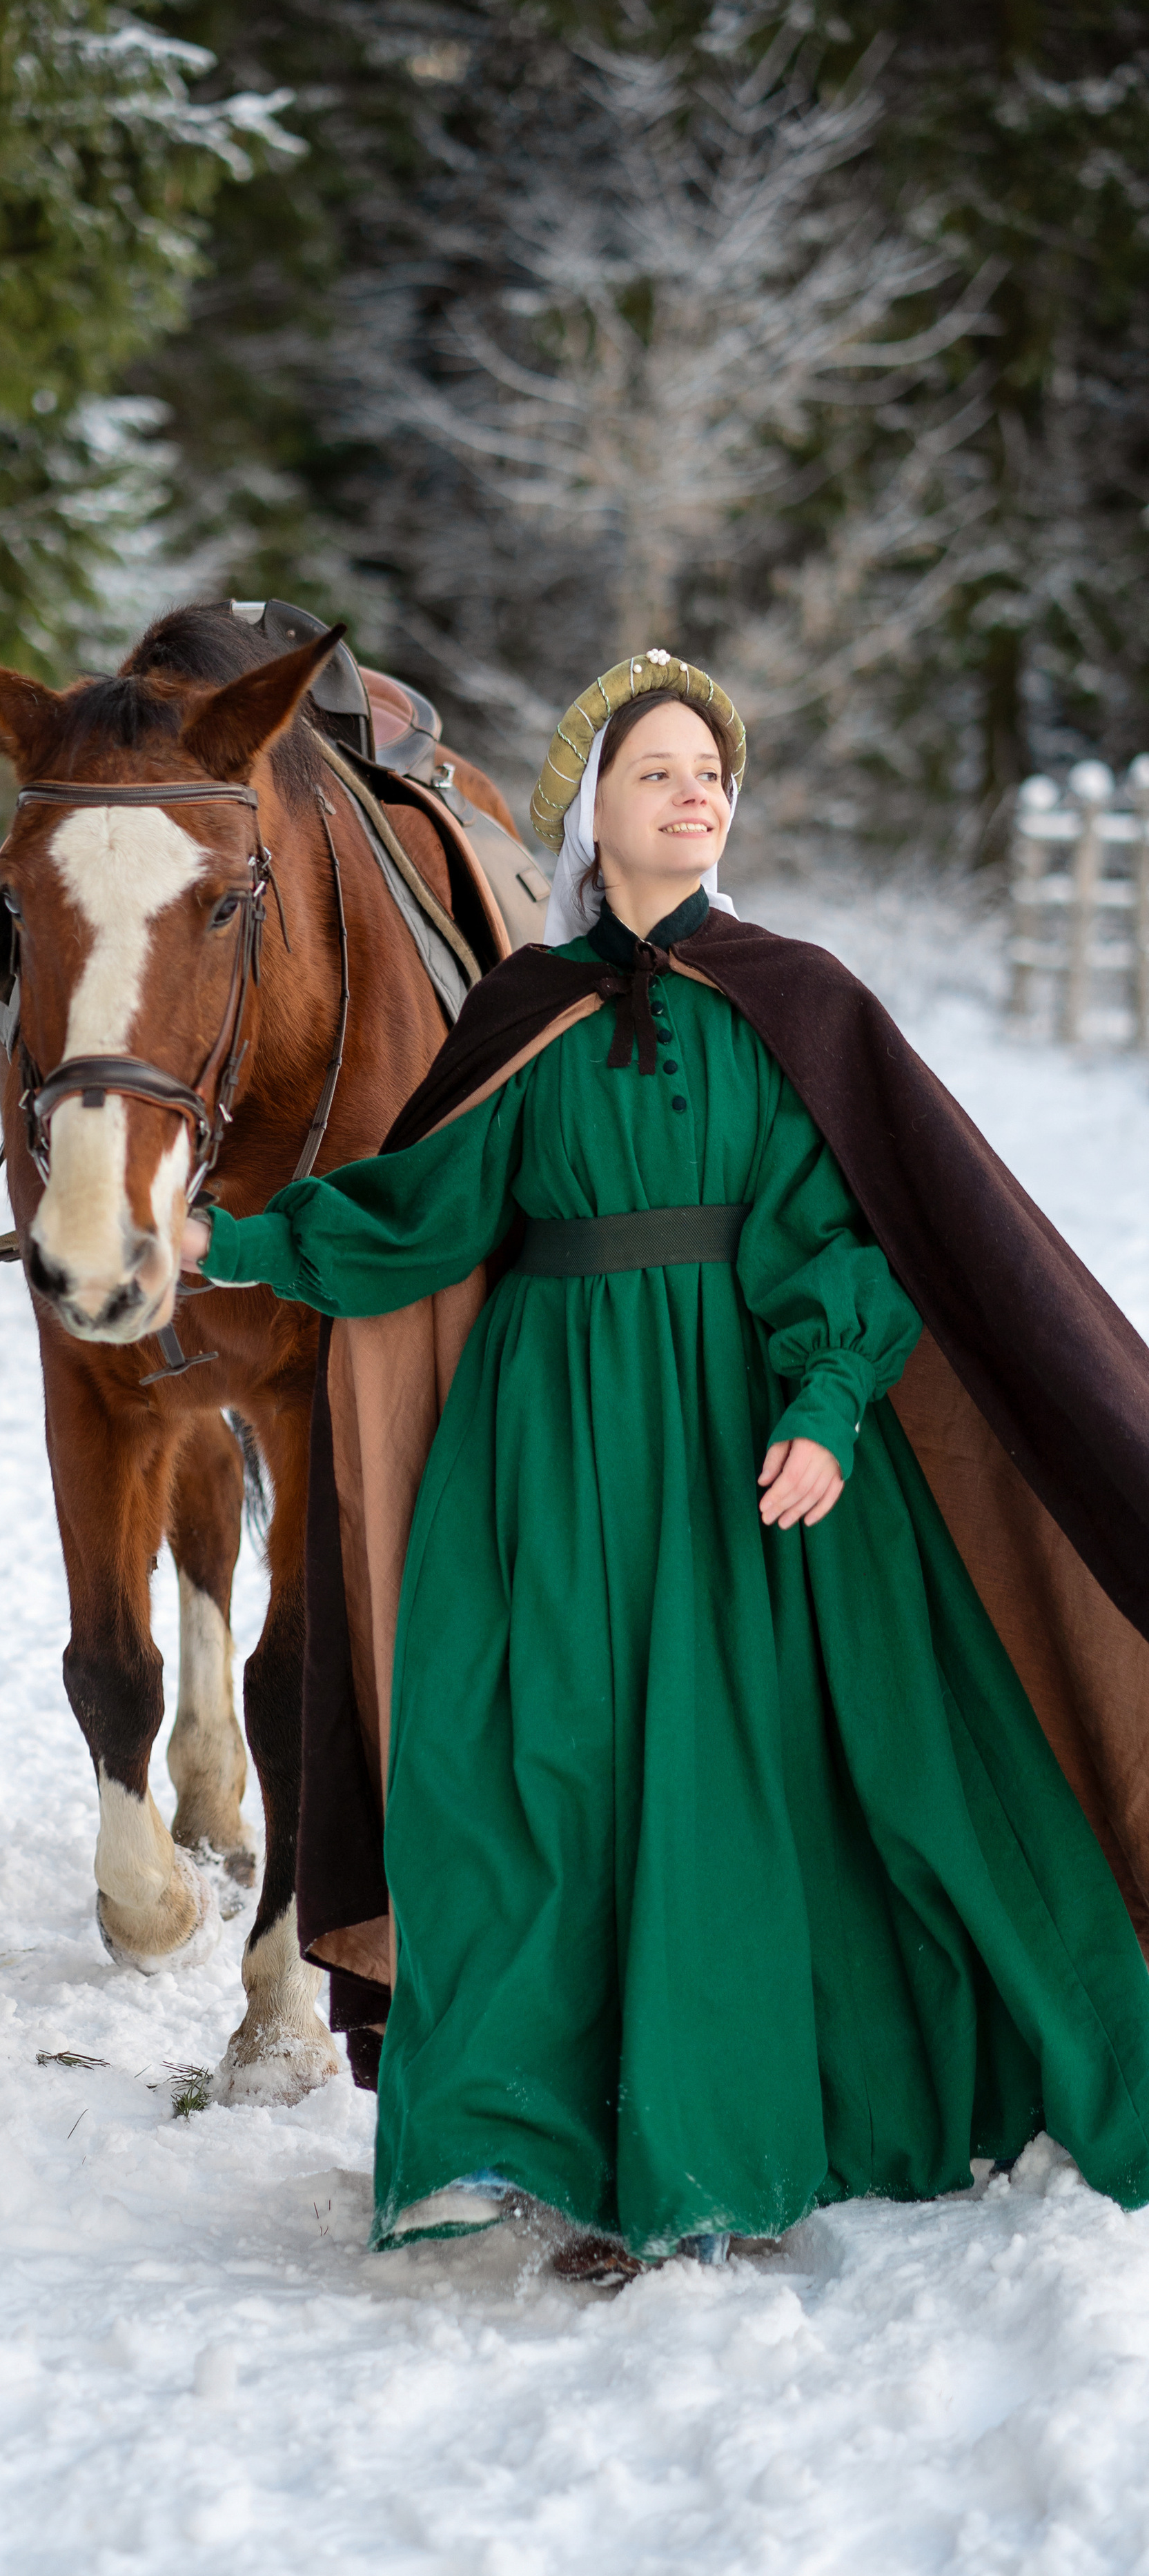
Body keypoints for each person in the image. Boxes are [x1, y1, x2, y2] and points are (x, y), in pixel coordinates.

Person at [180, 650, 1149, 2275]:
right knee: (520, 1771)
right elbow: (422, 1213)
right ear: (590, 818)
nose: (696, 793)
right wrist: (227, 1235)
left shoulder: (795, 999)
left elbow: (838, 1233)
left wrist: (825, 1407)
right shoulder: (524, 1015)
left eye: (712, 771)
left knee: (719, 1785)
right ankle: (523, 2132)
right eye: (660, 773)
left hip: (724, 1443)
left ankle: (714, 2144)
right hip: (538, 1445)